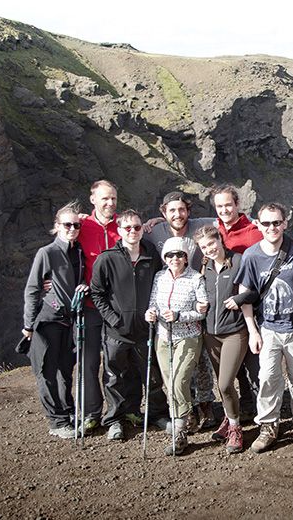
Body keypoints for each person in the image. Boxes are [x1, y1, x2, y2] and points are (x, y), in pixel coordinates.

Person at [237, 203, 293, 453]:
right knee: (268, 378)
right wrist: (253, 331)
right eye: (266, 223)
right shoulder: (251, 256)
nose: (272, 228)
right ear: (258, 224)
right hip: (268, 327)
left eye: (277, 222)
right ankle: (268, 427)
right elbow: (245, 295)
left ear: (285, 223)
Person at [89, 210, 169, 441]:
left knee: (152, 375)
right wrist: (114, 320)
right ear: (119, 230)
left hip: (146, 329)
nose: (133, 231)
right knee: (115, 376)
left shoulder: (152, 255)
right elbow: (98, 293)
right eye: (127, 228)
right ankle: (115, 419)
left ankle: (157, 414)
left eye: (137, 227)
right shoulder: (106, 258)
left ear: (142, 228)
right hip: (116, 331)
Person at [147, 191, 217, 430]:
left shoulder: (202, 224)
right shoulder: (155, 231)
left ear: (188, 210)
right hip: (170, 308)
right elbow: (127, 229)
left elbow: (231, 220)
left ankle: (205, 404)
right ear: (163, 212)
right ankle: (187, 410)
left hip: (199, 295)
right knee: (176, 369)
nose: (178, 214)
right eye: (172, 210)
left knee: (202, 360)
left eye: (182, 209)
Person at [22, 202, 87, 439]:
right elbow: (32, 288)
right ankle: (57, 421)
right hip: (48, 321)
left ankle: (67, 413)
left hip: (69, 322)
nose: (72, 228)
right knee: (47, 371)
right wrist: (28, 325)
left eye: (76, 225)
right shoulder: (46, 253)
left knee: (65, 370)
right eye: (67, 224)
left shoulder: (78, 252)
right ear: (57, 226)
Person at [145, 237, 208, 456]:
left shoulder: (196, 278)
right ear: (165, 258)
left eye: (180, 255)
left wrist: (179, 316)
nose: (175, 259)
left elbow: (202, 311)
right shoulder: (159, 277)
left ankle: (179, 432)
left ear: (186, 257)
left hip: (188, 337)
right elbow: (153, 302)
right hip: (163, 337)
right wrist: (150, 313)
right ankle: (184, 418)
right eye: (170, 255)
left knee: (179, 381)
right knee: (170, 382)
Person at [211, 184, 263, 422]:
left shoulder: (253, 232)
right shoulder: (215, 232)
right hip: (225, 311)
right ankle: (243, 407)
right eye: (219, 206)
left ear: (237, 205)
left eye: (228, 205)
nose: (224, 210)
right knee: (236, 364)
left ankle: (261, 411)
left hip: (251, 304)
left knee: (254, 364)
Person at [194, 225, 247, 453]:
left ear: (220, 239)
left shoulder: (238, 261)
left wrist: (240, 297)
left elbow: (251, 290)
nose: (209, 249)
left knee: (225, 383)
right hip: (210, 333)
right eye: (204, 247)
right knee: (221, 383)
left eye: (212, 243)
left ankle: (236, 429)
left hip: (235, 331)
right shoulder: (204, 266)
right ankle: (229, 418)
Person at [74, 180, 119, 432]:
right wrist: (49, 280)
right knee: (88, 362)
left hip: (115, 307)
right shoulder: (81, 226)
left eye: (113, 198)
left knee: (114, 362)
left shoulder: (124, 226)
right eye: (104, 198)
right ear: (93, 200)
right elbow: (61, 252)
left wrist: (152, 222)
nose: (110, 203)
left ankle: (115, 414)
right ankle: (91, 413)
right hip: (90, 306)